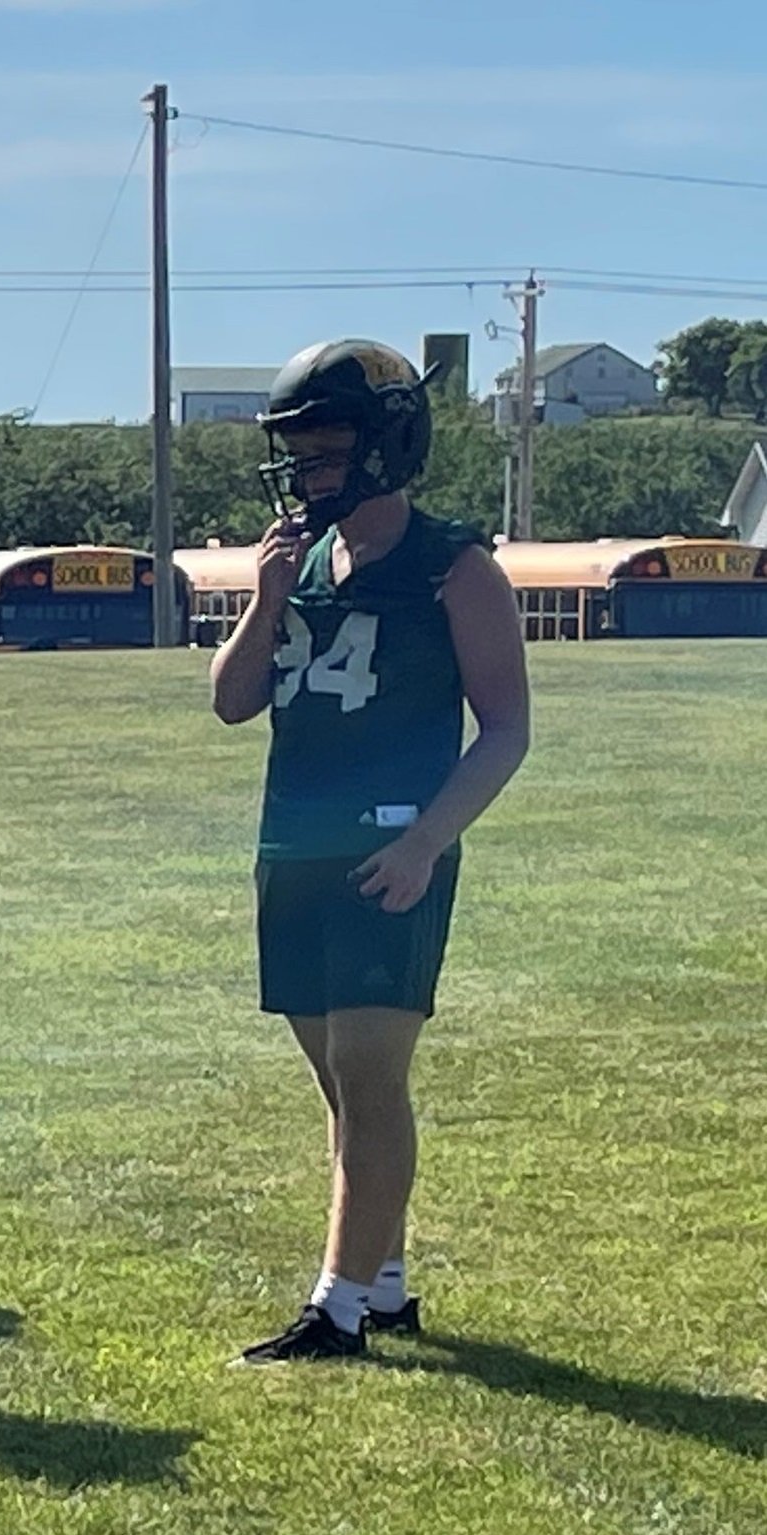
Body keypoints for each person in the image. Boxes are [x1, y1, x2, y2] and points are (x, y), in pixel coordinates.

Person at [210, 339, 530, 1363]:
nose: (305, 469)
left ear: (385, 444)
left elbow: (506, 726)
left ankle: (336, 1304)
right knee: (338, 1083)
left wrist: (428, 841)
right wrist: (262, 598)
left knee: (367, 1068)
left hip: (388, 846)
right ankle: (382, 1280)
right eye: (295, 450)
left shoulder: (454, 566)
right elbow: (229, 702)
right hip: (292, 841)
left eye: (325, 448)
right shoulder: (296, 559)